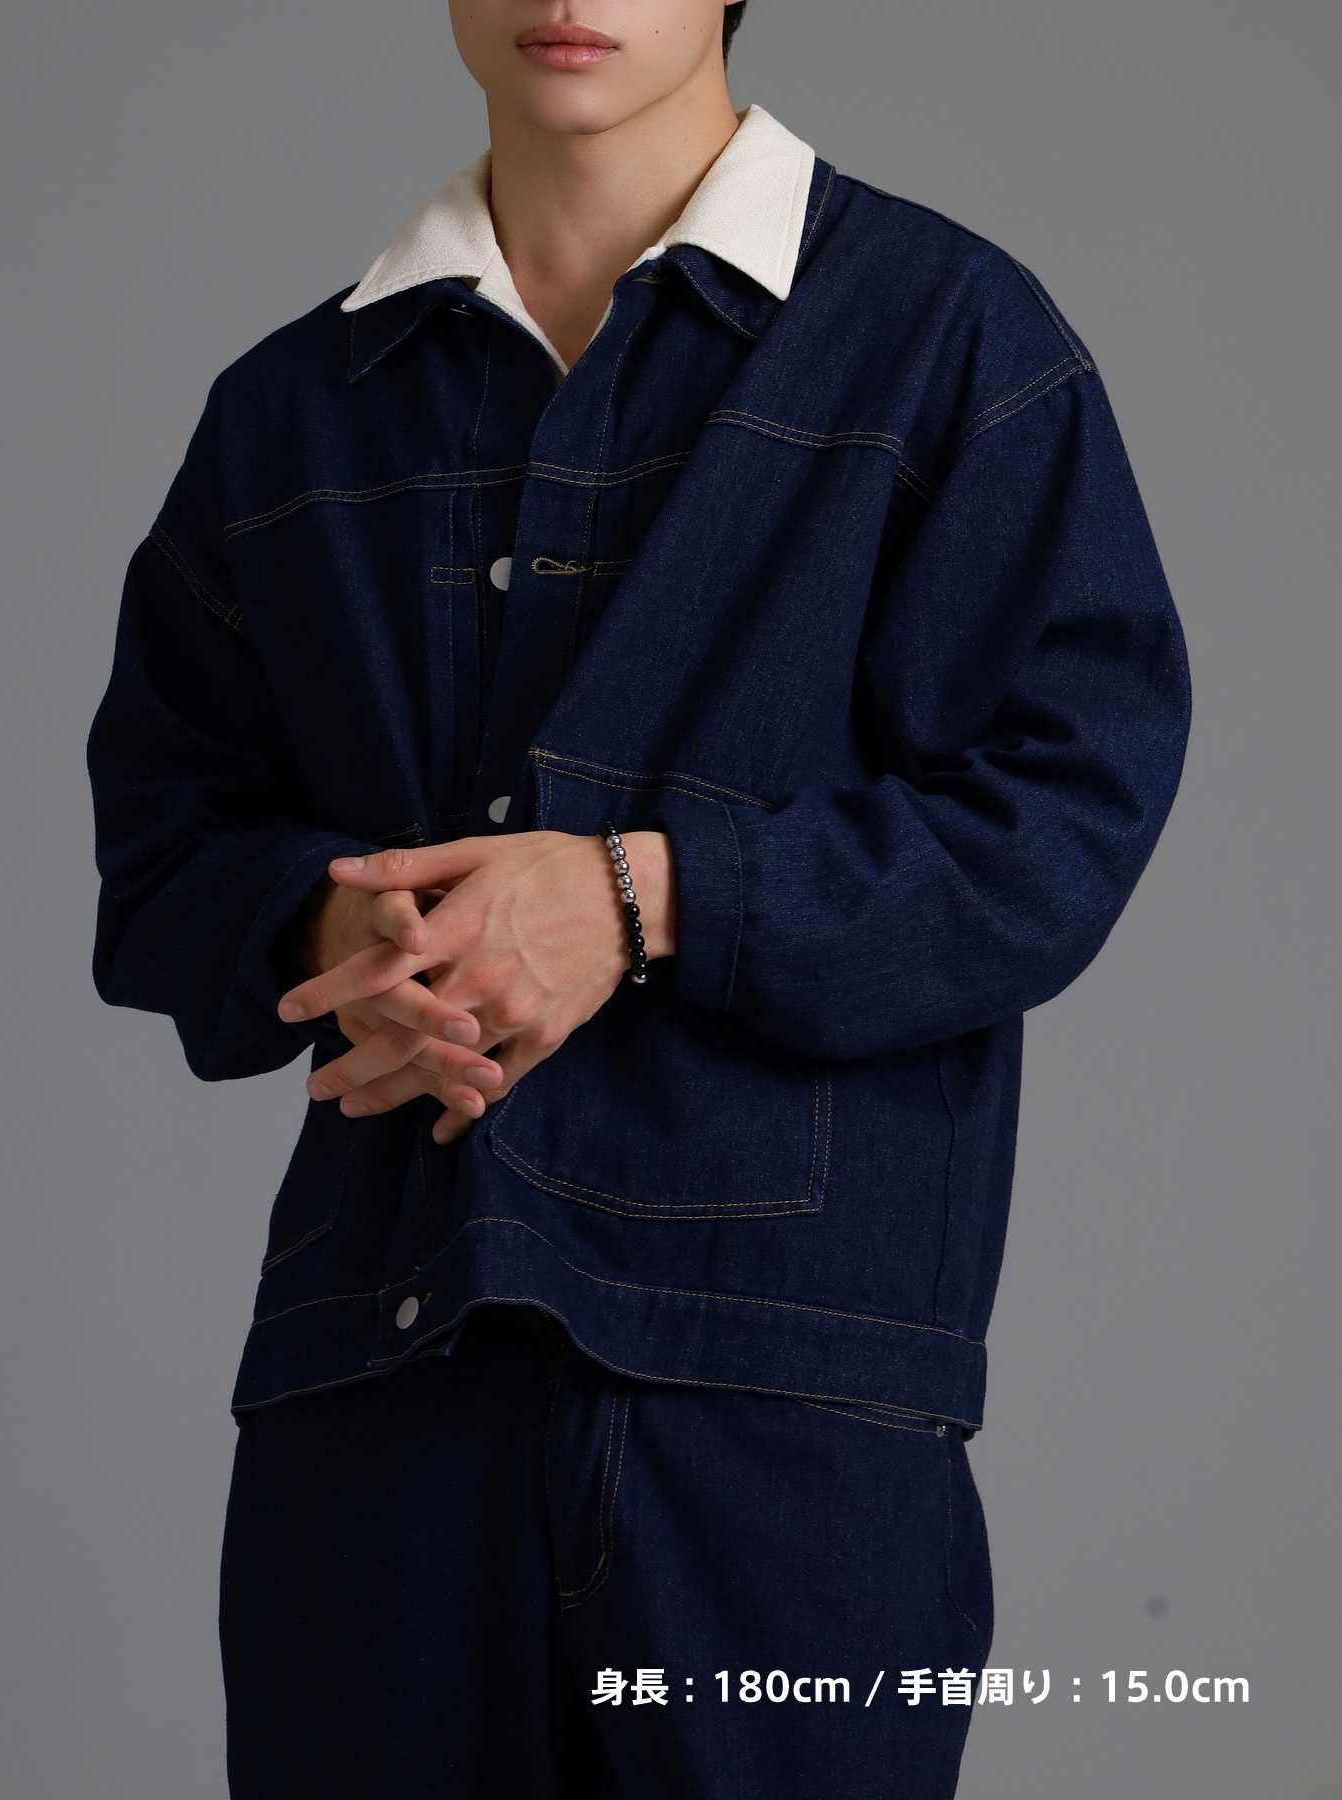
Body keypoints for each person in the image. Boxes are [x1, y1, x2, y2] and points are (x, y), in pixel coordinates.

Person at [85, 2, 1192, 1793]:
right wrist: (336, 927)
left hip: (777, 1413)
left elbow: (1064, 810)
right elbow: (163, 845)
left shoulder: (943, 339)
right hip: (377, 1394)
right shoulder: (292, 414)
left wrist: (645, 894)